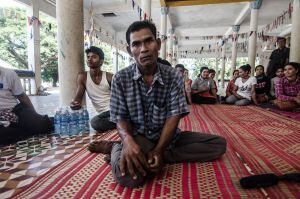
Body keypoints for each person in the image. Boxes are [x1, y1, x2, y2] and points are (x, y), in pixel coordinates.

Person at [88, 20, 226, 188]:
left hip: (167, 138)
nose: (144, 48)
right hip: (138, 137)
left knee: (218, 145)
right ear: (129, 50)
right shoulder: (120, 78)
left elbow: (174, 116)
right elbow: (119, 117)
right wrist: (129, 142)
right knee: (128, 178)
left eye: (148, 41)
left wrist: (159, 150)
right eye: (136, 44)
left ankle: (155, 155)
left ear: (158, 44)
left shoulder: (173, 76)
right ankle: (117, 147)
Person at [0, 66, 52, 145]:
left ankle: (16, 129)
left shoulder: (9, 74)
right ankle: (23, 130)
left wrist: (34, 115)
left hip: (14, 110)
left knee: (42, 125)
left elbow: (22, 97)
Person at [70, 46, 116, 132]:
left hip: (114, 111)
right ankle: (123, 123)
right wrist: (74, 104)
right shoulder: (82, 77)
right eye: (88, 57)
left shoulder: (110, 77)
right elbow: (78, 99)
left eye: (94, 57)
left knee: (95, 122)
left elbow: (121, 98)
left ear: (101, 62)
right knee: (95, 122)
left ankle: (122, 121)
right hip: (104, 115)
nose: (89, 59)